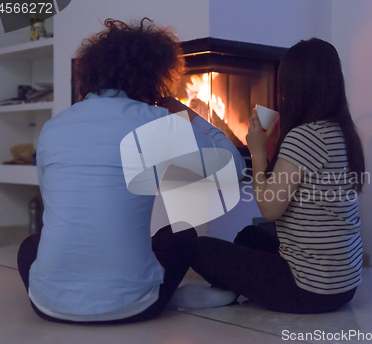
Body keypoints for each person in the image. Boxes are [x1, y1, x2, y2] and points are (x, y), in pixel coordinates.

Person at [16, 18, 245, 324]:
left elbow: (55, 203)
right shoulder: (155, 121)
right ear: (153, 75)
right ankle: (169, 298)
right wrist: (184, 112)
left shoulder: (51, 128)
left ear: (89, 74)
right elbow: (235, 165)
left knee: (30, 247)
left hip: (47, 306)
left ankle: (74, 290)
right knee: (181, 235)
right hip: (133, 308)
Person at [184, 38, 365, 314]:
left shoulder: (306, 136)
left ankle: (226, 292)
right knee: (249, 236)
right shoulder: (343, 132)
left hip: (308, 289)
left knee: (197, 248)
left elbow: (269, 208)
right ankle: (232, 289)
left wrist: (257, 151)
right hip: (344, 285)